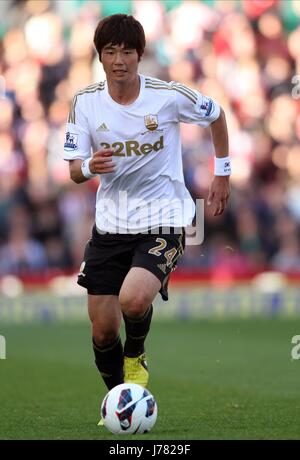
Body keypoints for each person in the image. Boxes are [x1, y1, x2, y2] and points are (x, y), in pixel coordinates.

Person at [63, 14, 230, 423]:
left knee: (133, 299)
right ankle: (123, 402)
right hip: (110, 226)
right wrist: (89, 165)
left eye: (127, 51)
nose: (119, 60)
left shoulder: (167, 95)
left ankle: (136, 353)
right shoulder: (84, 102)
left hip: (164, 219)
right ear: (100, 57)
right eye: (110, 52)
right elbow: (72, 170)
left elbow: (217, 114)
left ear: (140, 55)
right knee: (102, 331)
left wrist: (222, 173)